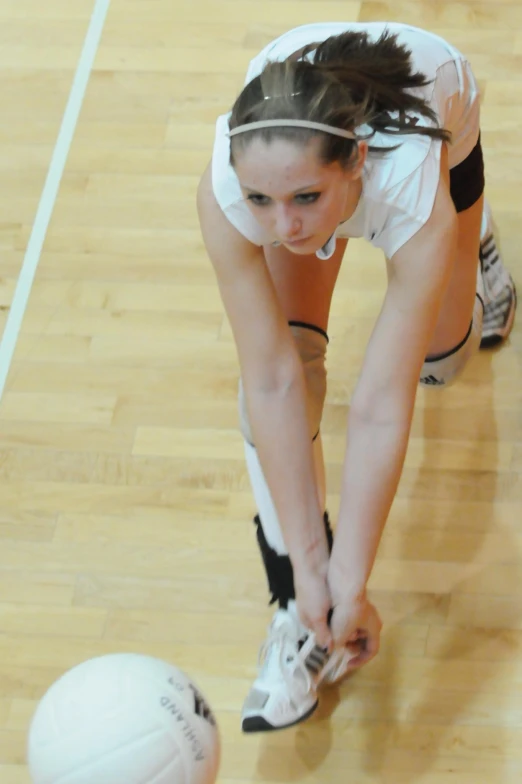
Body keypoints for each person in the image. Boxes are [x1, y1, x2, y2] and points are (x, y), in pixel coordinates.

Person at [196, 20, 517, 733]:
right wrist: (314, 581)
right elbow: (273, 379)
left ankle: (481, 241)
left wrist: (352, 577)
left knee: (445, 359)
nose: (283, 227)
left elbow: (378, 404)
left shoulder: (407, 188)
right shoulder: (229, 187)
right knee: (283, 386)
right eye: (263, 204)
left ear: (357, 165)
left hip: (437, 113)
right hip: (306, 143)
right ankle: (295, 622)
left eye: (306, 199)